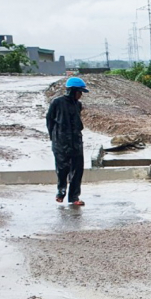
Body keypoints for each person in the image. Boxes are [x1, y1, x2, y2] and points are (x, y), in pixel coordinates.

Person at [46, 76, 89, 206]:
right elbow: (49, 121)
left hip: (76, 141)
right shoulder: (57, 103)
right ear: (72, 91)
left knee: (77, 170)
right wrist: (53, 138)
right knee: (62, 169)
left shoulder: (78, 105)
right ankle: (61, 192)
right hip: (60, 141)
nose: (81, 95)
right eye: (79, 92)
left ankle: (74, 197)